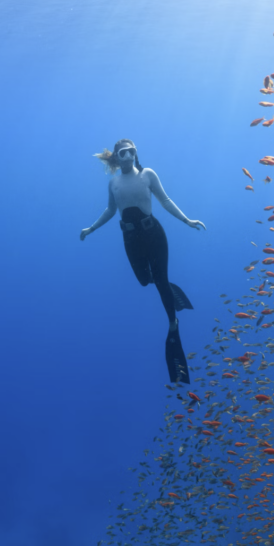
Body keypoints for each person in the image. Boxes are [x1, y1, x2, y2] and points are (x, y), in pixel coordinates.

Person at [81, 139, 206, 384]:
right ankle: (165, 286)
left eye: (131, 151)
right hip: (130, 238)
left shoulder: (147, 174)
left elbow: (165, 200)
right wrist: (91, 228)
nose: (127, 155)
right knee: (143, 280)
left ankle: (173, 323)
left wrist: (187, 221)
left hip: (153, 234)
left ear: (135, 154)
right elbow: (109, 211)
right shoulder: (113, 183)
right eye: (122, 153)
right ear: (116, 157)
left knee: (160, 280)